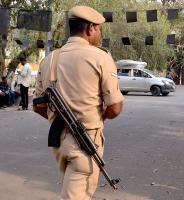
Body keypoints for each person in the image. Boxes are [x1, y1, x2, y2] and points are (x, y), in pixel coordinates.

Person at [33, 5, 124, 200]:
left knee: (71, 190)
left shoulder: (50, 59)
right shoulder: (100, 57)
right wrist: (99, 118)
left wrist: (59, 119)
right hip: (85, 141)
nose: (99, 33)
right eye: (99, 29)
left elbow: (38, 105)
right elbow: (115, 107)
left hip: (59, 142)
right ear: (90, 28)